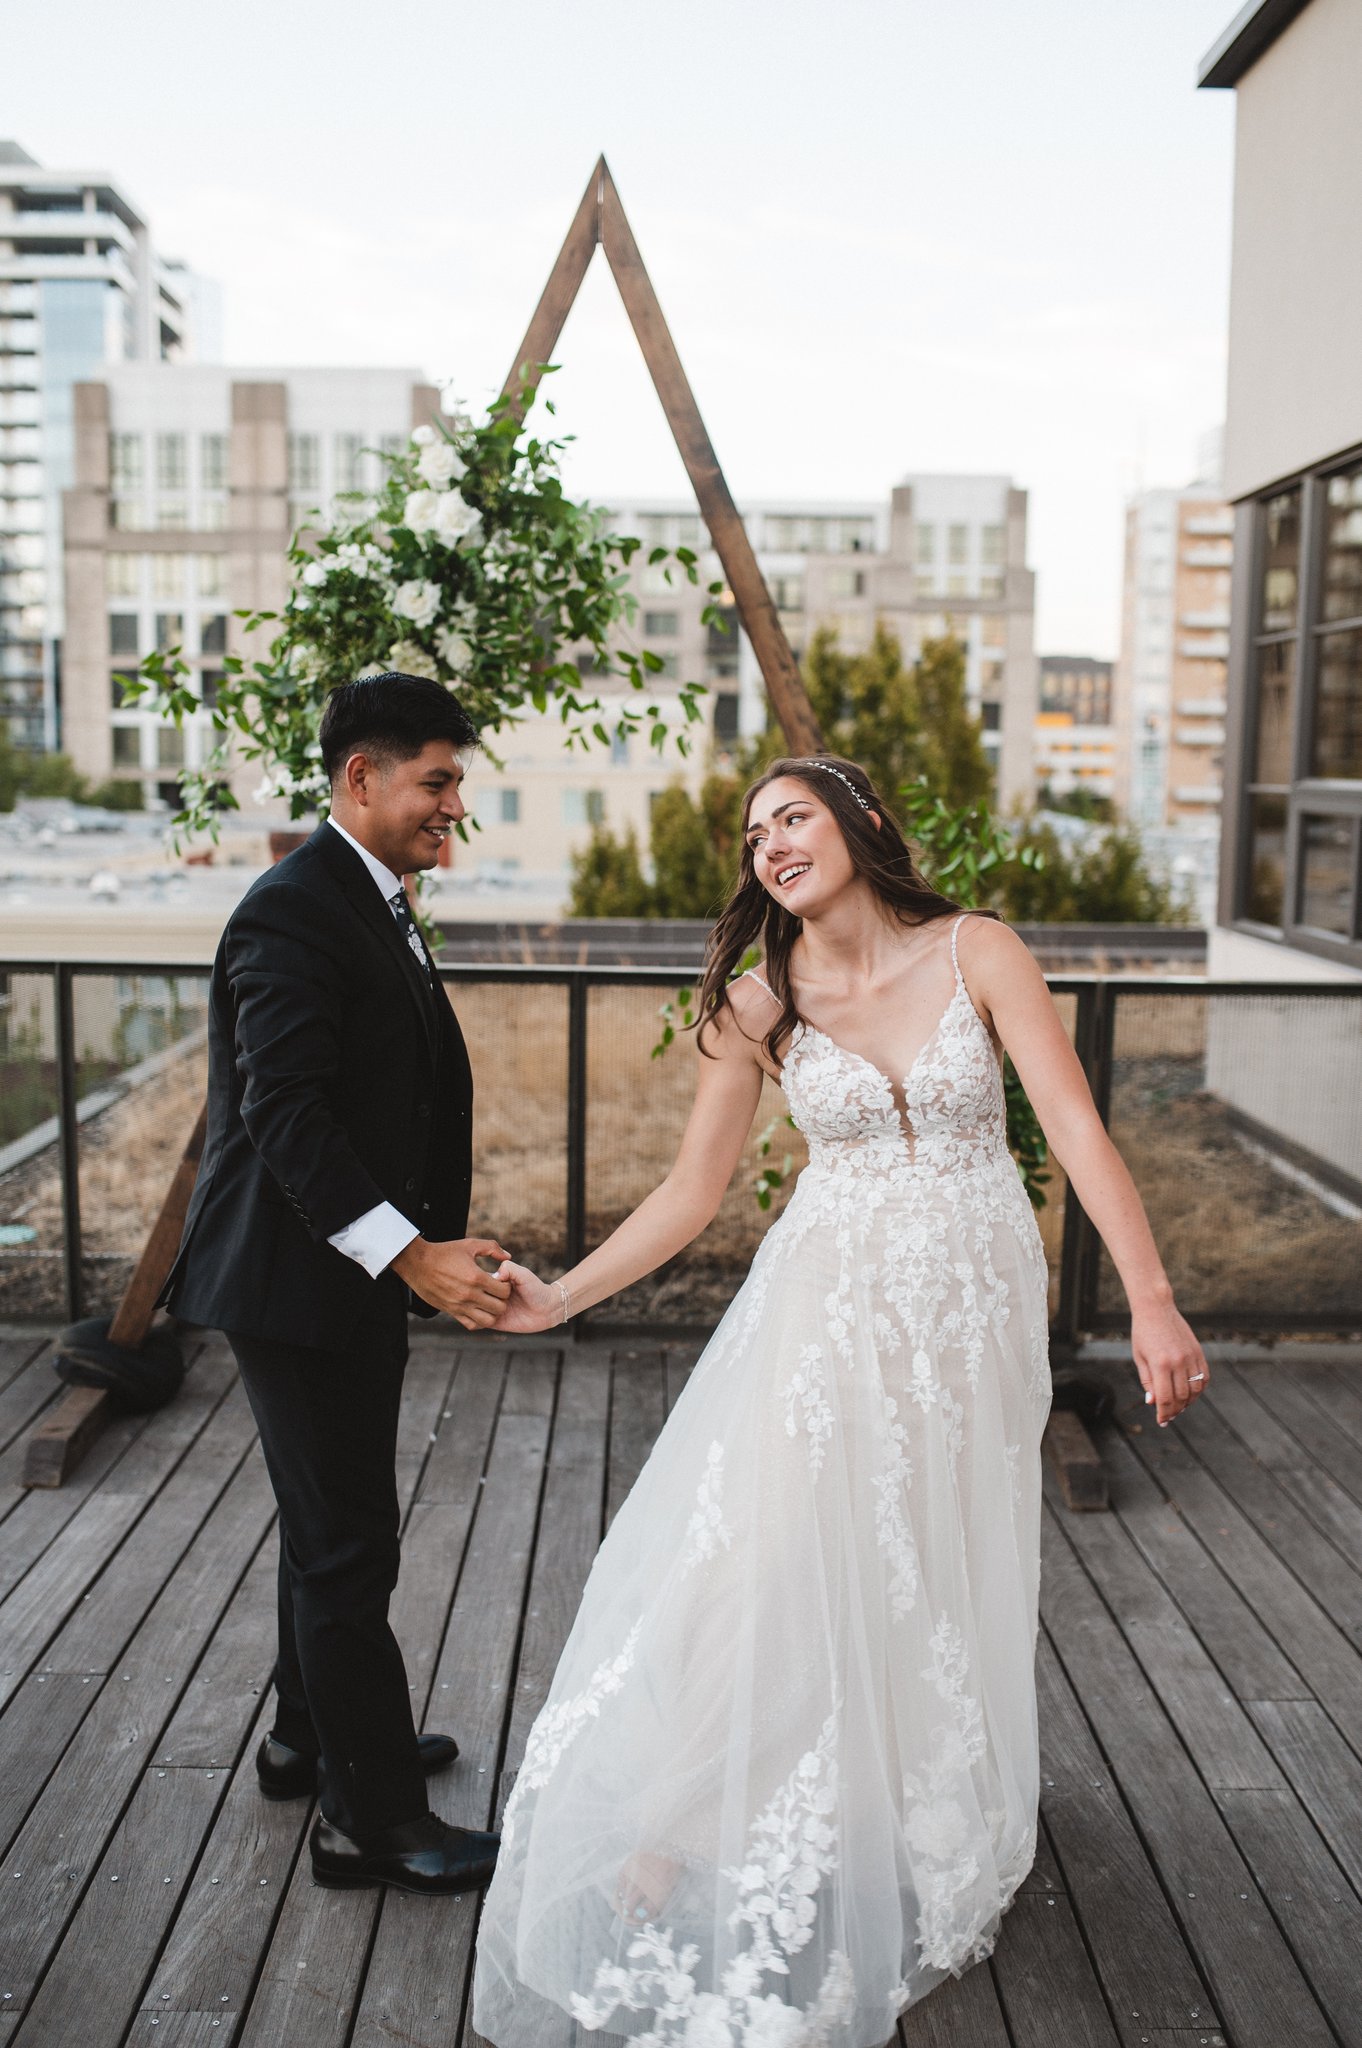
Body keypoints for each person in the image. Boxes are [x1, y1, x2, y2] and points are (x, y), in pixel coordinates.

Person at [471, 755, 1209, 2045]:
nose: (770, 844)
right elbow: (690, 1192)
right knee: (759, 1548)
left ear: (863, 821)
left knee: (919, 1552)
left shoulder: (981, 950)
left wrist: (1150, 1297)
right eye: (753, 833)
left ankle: (898, 1796)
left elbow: (1077, 1128)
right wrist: (566, 1294)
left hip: (972, 1311)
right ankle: (672, 1822)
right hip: (824, 1303)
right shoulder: (759, 1003)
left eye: (792, 815)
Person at [163, 672, 506, 1896]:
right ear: (360, 776)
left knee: (327, 1528)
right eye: (436, 778)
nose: (453, 803)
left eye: (455, 780)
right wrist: (411, 1252)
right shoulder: (292, 912)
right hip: (295, 1278)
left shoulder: (370, 892)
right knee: (348, 1543)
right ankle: (371, 1821)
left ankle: (313, 1735)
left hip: (336, 1273)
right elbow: (287, 1112)